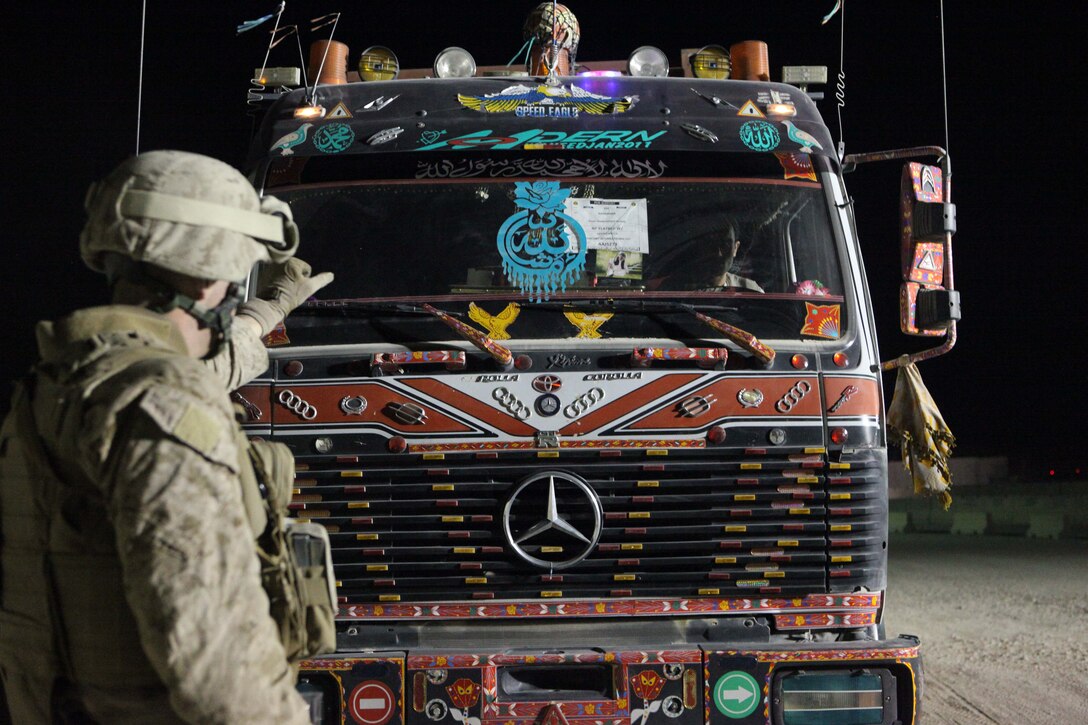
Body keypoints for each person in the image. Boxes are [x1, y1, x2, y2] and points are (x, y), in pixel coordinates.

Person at [0, 150, 332, 724]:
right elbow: (215, 655)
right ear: (212, 268)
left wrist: (260, 316)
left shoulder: (60, 383)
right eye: (238, 270)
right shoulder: (165, 401)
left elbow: (172, 376)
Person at [664, 220, 764, 292]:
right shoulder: (674, 289)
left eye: (725, 245)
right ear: (700, 247)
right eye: (711, 245)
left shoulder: (750, 290)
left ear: (735, 248)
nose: (718, 254)